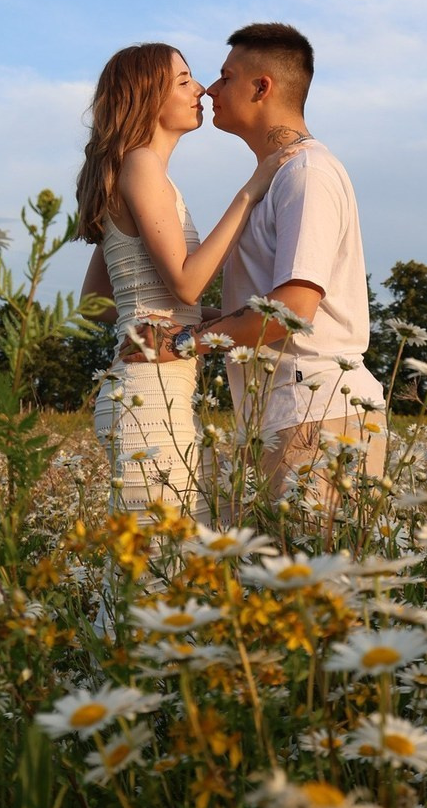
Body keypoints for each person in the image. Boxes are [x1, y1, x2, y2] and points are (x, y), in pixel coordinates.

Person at [126, 23, 387, 522]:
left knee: (314, 592)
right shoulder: (282, 177)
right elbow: (266, 303)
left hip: (317, 415)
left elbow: (291, 311)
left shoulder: (306, 175)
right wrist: (184, 316)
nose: (209, 88)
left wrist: (180, 342)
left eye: (225, 77)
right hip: (284, 415)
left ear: (261, 87)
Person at [76, 42, 299, 518]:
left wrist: (183, 321)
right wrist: (251, 191)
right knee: (163, 569)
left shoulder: (135, 171)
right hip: (147, 396)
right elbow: (185, 284)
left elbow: (94, 301)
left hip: (146, 388)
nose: (200, 88)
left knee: (159, 567)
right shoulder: (140, 166)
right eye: (184, 81)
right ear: (146, 97)